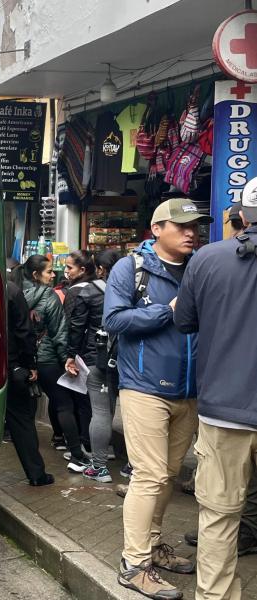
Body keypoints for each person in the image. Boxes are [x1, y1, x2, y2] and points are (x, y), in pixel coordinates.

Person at [104, 197, 209, 599]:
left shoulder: (200, 268)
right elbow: (114, 320)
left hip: (190, 393)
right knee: (148, 477)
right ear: (157, 230)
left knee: (166, 477)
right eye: (181, 226)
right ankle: (134, 565)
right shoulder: (131, 268)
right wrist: (168, 310)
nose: (191, 233)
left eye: (195, 226)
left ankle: (154, 547)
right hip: (144, 388)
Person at [174, 190, 257, 600]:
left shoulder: (207, 259)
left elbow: (184, 321)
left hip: (225, 410)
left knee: (219, 517)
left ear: (241, 215)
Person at [0, 279, 54, 487]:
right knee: (22, 420)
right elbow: (24, 331)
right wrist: (29, 363)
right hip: (11, 364)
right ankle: (36, 473)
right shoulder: (12, 290)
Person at [12, 255, 70, 452]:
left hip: (17, 360)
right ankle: (77, 453)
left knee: (23, 409)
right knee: (63, 402)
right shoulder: (49, 295)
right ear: (36, 275)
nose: (53, 275)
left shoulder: (12, 292)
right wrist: (65, 360)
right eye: (49, 271)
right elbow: (59, 331)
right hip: (45, 357)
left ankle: (26, 450)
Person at [76, 249, 123, 483]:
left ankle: (99, 466)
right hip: (131, 361)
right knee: (137, 414)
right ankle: (134, 467)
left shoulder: (91, 291)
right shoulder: (132, 289)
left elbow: (77, 326)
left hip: (100, 358)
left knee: (102, 412)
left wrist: (71, 354)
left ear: (101, 269)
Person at [60, 250, 97, 474]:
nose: (66, 272)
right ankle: (97, 445)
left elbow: (72, 325)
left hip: (84, 354)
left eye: (70, 268)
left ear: (82, 270)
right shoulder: (102, 286)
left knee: (82, 402)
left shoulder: (76, 291)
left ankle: (85, 446)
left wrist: (69, 355)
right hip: (102, 352)